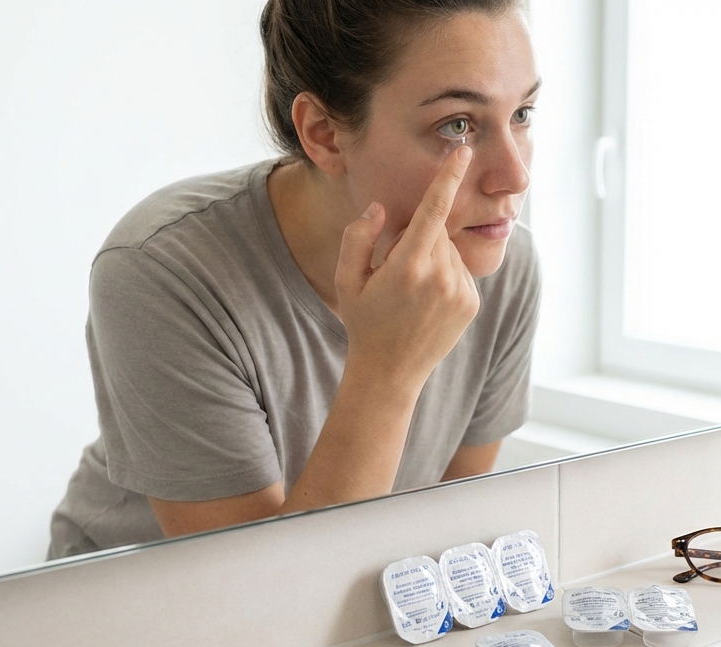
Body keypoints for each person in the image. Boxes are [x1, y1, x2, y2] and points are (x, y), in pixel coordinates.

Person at [48, 0, 540, 559]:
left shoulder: (500, 263)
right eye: (457, 125)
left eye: (523, 114)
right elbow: (260, 587)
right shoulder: (161, 272)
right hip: (126, 602)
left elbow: (447, 545)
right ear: (324, 133)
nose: (516, 176)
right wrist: (386, 371)